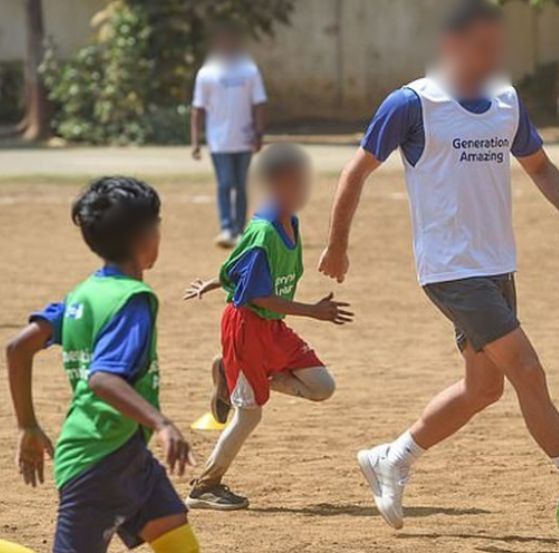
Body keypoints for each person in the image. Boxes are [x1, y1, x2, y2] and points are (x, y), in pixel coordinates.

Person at [317, 0, 559, 530]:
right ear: (453, 45)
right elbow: (355, 171)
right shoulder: (411, 103)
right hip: (450, 269)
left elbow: (537, 162)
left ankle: (391, 459)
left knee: (484, 388)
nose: (494, 55)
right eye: (483, 45)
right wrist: (337, 245)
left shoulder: (506, 101)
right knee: (529, 372)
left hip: (496, 265)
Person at [5, 177, 199, 553]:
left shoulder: (83, 294)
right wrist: (162, 423)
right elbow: (103, 378)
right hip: (96, 463)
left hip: (127, 453)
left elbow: (17, 348)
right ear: (146, 236)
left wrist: (27, 425)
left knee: (176, 538)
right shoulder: (132, 299)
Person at [183, 144, 350, 510]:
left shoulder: (287, 219)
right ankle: (205, 487)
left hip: (271, 328)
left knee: (322, 387)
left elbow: (240, 267)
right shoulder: (264, 231)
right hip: (248, 326)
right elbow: (257, 296)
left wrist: (214, 281)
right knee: (250, 414)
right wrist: (313, 311)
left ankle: (231, 372)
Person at [191, 22, 268, 248]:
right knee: (225, 183)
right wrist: (196, 140)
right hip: (218, 141)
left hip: (244, 139)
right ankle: (226, 228)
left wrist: (259, 132)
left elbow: (259, 103)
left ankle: (240, 230)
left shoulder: (249, 70)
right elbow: (198, 108)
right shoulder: (206, 73)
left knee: (241, 184)